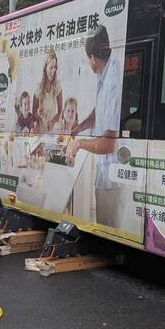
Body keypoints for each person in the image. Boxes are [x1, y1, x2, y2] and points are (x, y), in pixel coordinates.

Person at [66, 25, 124, 226]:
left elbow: (109, 145)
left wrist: (79, 144)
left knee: (107, 228)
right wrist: (80, 126)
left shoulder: (112, 84)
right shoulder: (106, 69)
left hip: (111, 179)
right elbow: (100, 110)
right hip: (105, 174)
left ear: (92, 58)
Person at [33, 48, 63, 133]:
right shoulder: (38, 87)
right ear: (45, 67)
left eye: (55, 67)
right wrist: (40, 116)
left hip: (51, 130)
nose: (53, 71)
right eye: (51, 68)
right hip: (39, 131)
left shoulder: (57, 85)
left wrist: (53, 122)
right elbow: (33, 114)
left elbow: (60, 111)